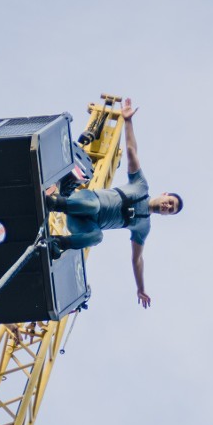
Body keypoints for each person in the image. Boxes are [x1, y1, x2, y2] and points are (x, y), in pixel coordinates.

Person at [46, 97, 183, 309]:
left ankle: (58, 243)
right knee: (94, 206)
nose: (167, 206)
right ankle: (54, 203)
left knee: (97, 237)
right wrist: (128, 122)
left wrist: (140, 287)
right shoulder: (141, 186)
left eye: (170, 209)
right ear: (164, 194)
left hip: (81, 224)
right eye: (169, 202)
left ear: (166, 215)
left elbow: (137, 260)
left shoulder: (143, 227)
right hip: (85, 201)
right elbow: (131, 152)